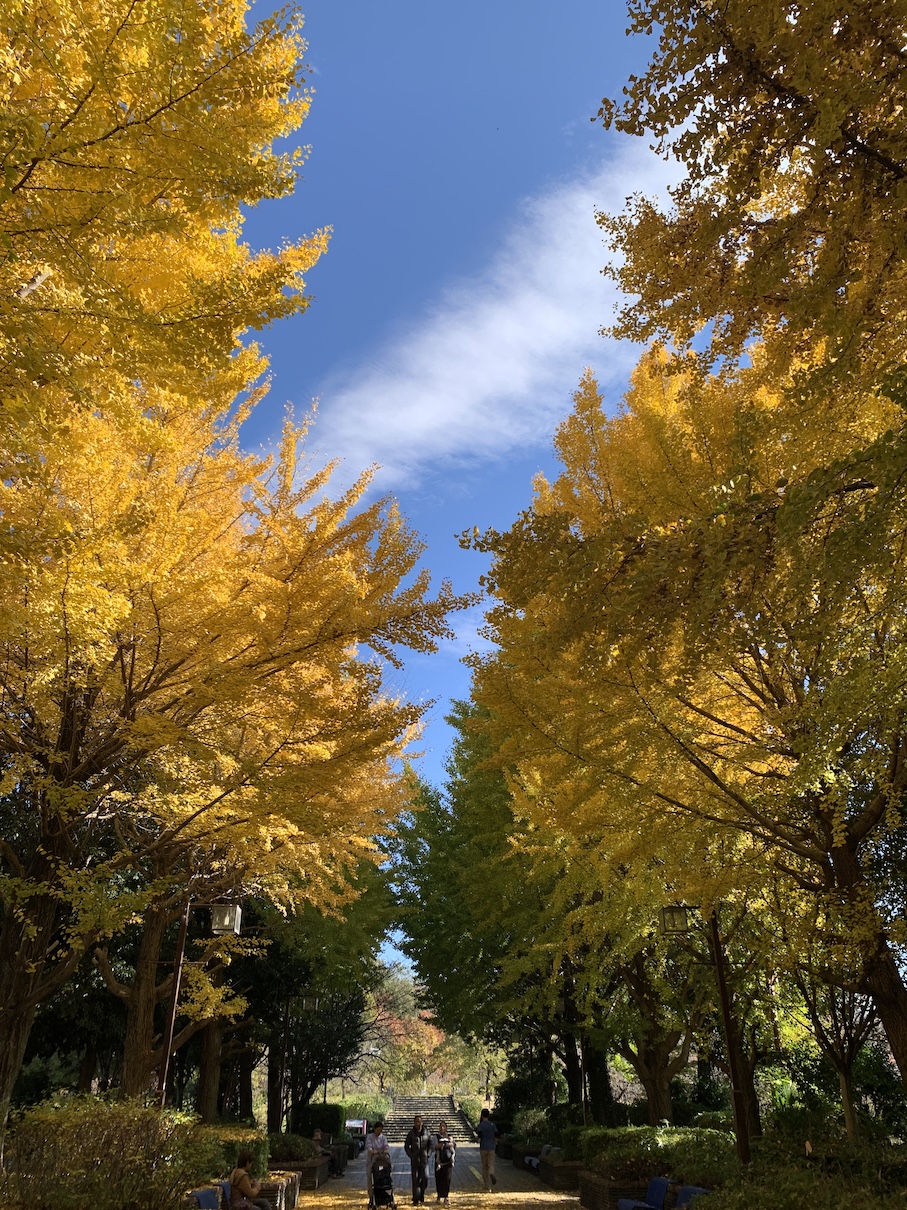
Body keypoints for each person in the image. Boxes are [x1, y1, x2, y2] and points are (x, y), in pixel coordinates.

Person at [404, 1113, 432, 1205]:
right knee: (415, 1180)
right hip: (415, 1160)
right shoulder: (411, 1133)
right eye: (416, 1122)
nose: (418, 1123)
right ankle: (416, 1198)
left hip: (424, 1160)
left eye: (419, 1121)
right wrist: (411, 1155)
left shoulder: (426, 1132)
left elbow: (430, 1145)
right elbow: (406, 1145)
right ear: (414, 1123)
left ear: (422, 1122)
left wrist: (428, 1154)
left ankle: (421, 1192)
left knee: (425, 1177)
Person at [366, 1120, 390, 1208]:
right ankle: (371, 1197)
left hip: (382, 1159)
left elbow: (386, 1146)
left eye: (381, 1130)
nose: (379, 1132)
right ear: (375, 1129)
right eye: (378, 1130)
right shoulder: (370, 1137)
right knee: (370, 1179)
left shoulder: (383, 1138)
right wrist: (372, 1151)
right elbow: (369, 1146)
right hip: (372, 1160)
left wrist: (385, 1151)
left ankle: (382, 1196)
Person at [475, 1109, 499, 1193]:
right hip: (491, 1147)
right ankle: (491, 1173)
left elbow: (479, 1136)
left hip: (483, 1147)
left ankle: (486, 1186)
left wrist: (477, 1139)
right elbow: (496, 1135)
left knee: (484, 1166)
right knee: (491, 1164)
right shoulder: (492, 1125)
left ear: (482, 1115)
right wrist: (495, 1143)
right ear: (488, 1115)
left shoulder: (481, 1125)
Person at [433, 1120, 456, 1206]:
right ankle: (439, 1196)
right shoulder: (436, 1137)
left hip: (448, 1161)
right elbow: (434, 1146)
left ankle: (446, 1196)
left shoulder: (450, 1137)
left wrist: (450, 1143)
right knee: (438, 1179)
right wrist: (440, 1145)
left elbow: (454, 1145)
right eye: (441, 1126)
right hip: (439, 1161)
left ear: (446, 1128)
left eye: (444, 1126)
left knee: (447, 1179)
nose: (442, 1128)